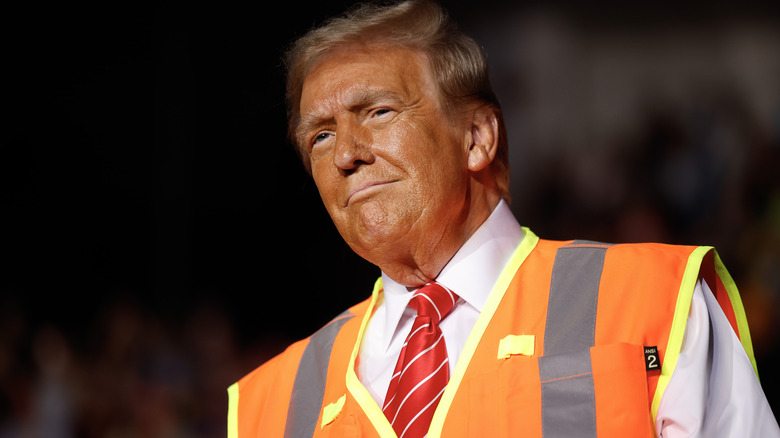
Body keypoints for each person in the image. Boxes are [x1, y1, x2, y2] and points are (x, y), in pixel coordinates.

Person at [227, 0, 780, 436]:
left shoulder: (654, 301)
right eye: (320, 135)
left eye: (378, 111)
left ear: (476, 137)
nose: (346, 152)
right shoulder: (264, 406)